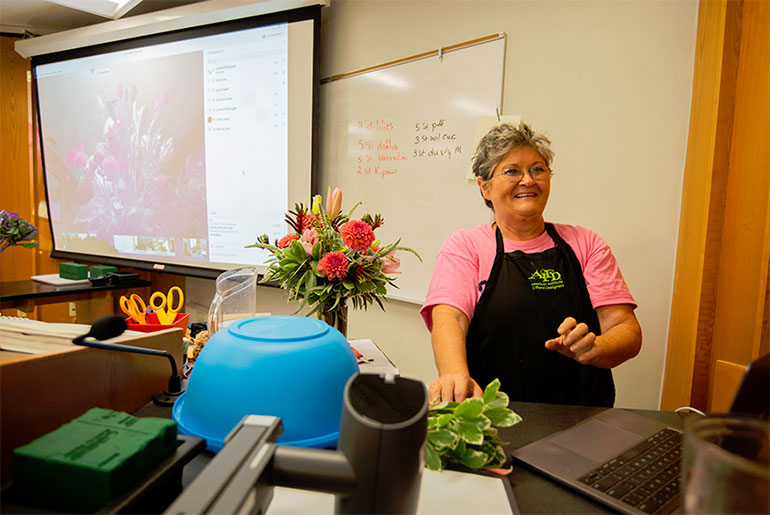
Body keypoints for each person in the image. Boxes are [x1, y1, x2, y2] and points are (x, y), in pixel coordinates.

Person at [420, 122, 641, 406]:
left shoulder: (586, 244)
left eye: (537, 169)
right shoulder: (466, 246)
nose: (528, 180)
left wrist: (595, 347)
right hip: (494, 420)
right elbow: (449, 317)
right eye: (512, 171)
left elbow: (627, 330)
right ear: (485, 187)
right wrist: (454, 375)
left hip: (585, 420)